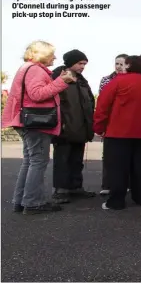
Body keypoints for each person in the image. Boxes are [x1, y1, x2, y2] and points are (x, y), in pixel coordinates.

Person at [1, 40, 76, 214]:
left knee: (29, 161)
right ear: (42, 55)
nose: (55, 58)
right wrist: (62, 81)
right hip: (37, 123)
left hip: (25, 121)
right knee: (37, 162)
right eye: (51, 54)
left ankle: (21, 201)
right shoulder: (35, 70)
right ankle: (33, 203)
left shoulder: (26, 67)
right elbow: (37, 94)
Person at [93, 55, 141, 210]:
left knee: (118, 168)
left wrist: (99, 128)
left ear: (128, 66)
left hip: (118, 132)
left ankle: (116, 201)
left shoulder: (117, 82)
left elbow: (102, 107)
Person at [50, 49, 96, 204]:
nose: (83, 66)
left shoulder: (82, 80)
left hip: (80, 126)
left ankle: (76, 187)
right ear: (70, 62)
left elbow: (89, 101)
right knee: (62, 159)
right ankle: (60, 190)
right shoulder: (57, 76)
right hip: (64, 126)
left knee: (77, 159)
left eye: (84, 64)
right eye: (80, 63)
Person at [98, 53, 128, 195]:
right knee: (109, 155)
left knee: (126, 154)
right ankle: (107, 184)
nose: (119, 66)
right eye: (117, 63)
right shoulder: (106, 80)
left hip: (127, 122)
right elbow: (103, 102)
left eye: (122, 64)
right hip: (110, 121)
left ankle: (125, 184)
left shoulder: (132, 80)